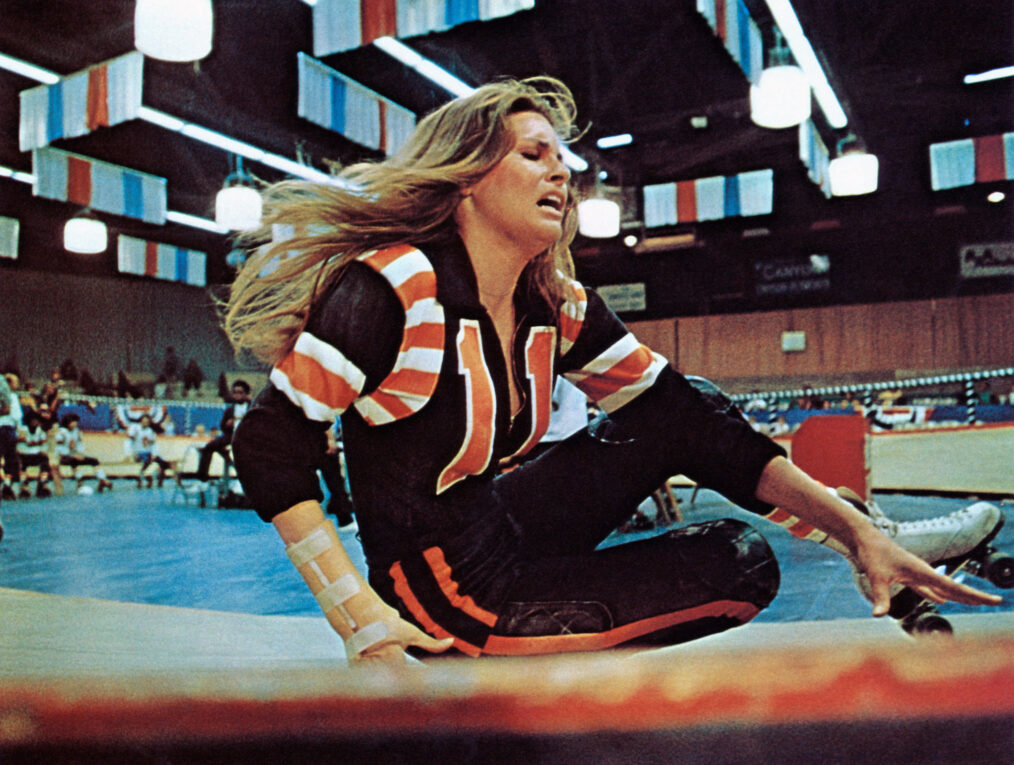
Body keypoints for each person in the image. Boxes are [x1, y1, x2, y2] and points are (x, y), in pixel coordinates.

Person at [225, 77, 1000, 666]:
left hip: (503, 527)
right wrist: (358, 617)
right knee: (739, 557)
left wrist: (851, 530)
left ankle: (876, 541)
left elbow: (689, 423)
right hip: (439, 594)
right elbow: (269, 446)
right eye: (534, 155)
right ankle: (482, 654)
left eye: (563, 160)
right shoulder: (396, 285)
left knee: (678, 405)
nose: (561, 175)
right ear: (466, 178)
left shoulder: (551, 301)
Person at [195, 379, 251, 485]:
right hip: (231, 435)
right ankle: (202, 476)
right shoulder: (230, 410)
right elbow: (222, 427)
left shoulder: (252, 407)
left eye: (240, 392)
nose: (237, 395)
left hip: (247, 436)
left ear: (246, 394)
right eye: (235, 392)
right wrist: (227, 425)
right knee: (208, 447)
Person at [55, 413, 113, 492]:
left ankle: (102, 479)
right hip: (64, 456)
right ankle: (79, 481)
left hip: (76, 455)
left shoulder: (77, 431)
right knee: (73, 461)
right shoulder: (61, 432)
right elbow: (59, 448)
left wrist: (80, 454)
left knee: (94, 460)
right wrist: (73, 455)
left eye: (75, 422)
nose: (74, 424)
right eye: (72, 422)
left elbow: (80, 445)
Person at [127, 414, 172, 488]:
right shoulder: (135, 429)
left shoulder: (150, 431)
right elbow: (129, 441)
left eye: (147, 422)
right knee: (146, 462)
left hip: (149, 453)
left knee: (163, 463)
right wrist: (131, 453)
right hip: (139, 453)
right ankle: (146, 478)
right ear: (141, 421)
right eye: (144, 421)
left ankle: (160, 480)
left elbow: (153, 444)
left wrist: (154, 454)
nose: (145, 423)